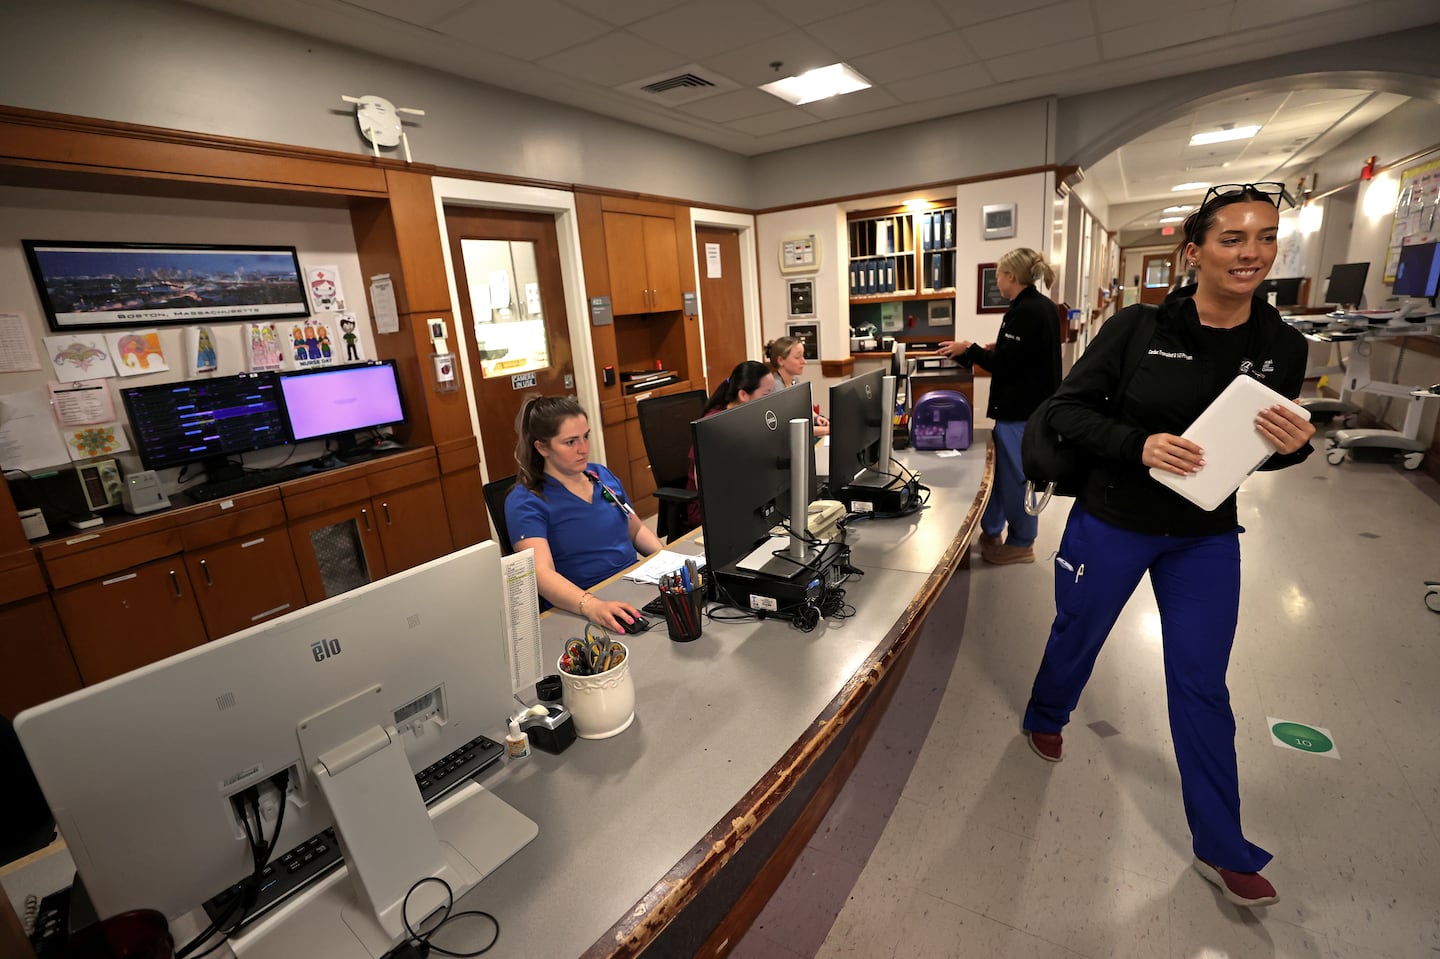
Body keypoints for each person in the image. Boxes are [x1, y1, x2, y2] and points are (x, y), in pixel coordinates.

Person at [1019, 183, 1317, 909]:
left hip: (1204, 536)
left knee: (1201, 682)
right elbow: (1064, 411)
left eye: (1265, 237)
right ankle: (1046, 713)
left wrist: (1295, 449)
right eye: (1232, 238)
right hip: (1114, 518)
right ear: (1195, 251)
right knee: (1077, 631)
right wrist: (1139, 443)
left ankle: (1223, 843)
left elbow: (1261, 452)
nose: (1251, 251)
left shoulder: (1282, 346)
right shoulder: (1136, 328)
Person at [937, 247, 1062, 565]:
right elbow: (1023, 354)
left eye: (998, 276)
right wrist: (987, 349)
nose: (997, 282)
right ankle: (992, 530)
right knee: (1000, 475)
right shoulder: (1039, 306)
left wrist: (971, 348)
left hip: (1021, 412)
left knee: (1015, 478)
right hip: (1028, 407)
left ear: (1010, 276)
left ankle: (1022, 543)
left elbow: (1007, 365)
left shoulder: (1026, 311)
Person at [505, 395, 663, 632]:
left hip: (633, 585)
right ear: (542, 447)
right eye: (570, 442)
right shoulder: (526, 501)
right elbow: (541, 573)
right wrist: (590, 605)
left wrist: (668, 561)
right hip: (581, 605)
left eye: (585, 436)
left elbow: (636, 529)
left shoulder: (600, 476)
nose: (583, 448)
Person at [685, 361, 776, 529]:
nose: (771, 400)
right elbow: (704, 485)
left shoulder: (749, 416)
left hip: (743, 496)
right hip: (712, 509)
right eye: (766, 394)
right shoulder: (713, 425)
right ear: (743, 395)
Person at [764, 336, 829, 436]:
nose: (804, 361)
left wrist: (816, 417)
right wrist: (825, 430)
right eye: (798, 357)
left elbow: (801, 409)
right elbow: (787, 429)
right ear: (781, 360)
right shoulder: (775, 389)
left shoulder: (795, 381)